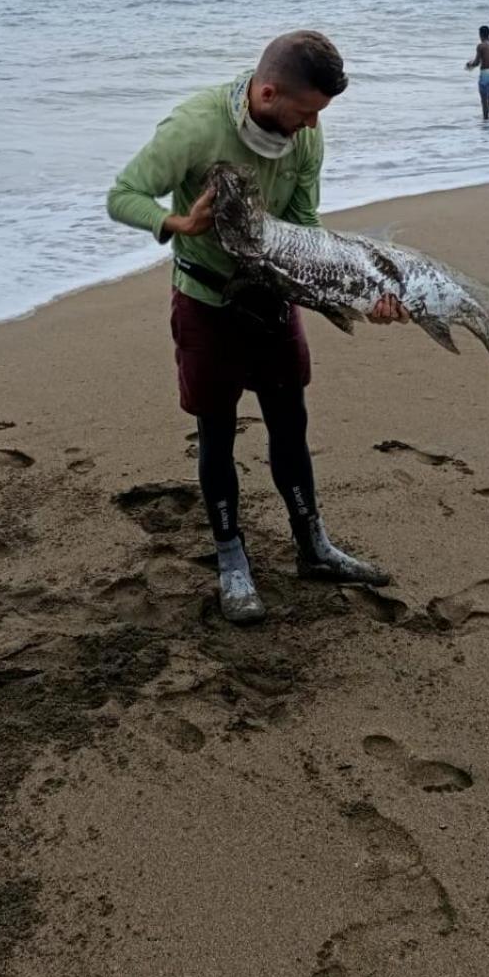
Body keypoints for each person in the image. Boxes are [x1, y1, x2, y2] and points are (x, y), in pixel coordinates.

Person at [106, 31, 407, 624]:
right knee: (218, 434)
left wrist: (362, 291)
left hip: (273, 297)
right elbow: (122, 195)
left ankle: (313, 545)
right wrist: (177, 221)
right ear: (267, 92)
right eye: (306, 113)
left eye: (320, 115)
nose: (312, 128)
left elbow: (303, 226)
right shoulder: (194, 129)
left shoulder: (305, 139)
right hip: (206, 300)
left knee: (289, 424)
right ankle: (231, 558)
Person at [465, 25, 489, 119]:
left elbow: (476, 63)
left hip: (485, 74)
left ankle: (485, 121)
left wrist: (469, 65)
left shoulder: (480, 46)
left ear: (480, 34)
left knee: (483, 100)